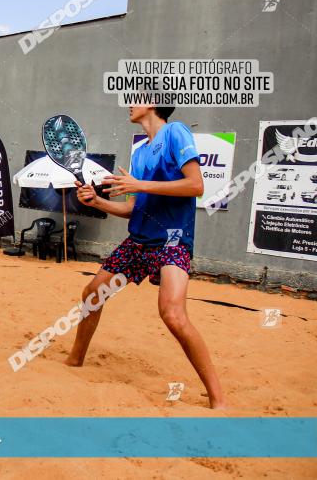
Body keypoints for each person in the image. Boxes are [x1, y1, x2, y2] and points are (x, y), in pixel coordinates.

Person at [67, 105, 226, 409]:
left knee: (173, 315)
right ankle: (75, 359)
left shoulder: (175, 132)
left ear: (152, 103)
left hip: (172, 240)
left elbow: (196, 185)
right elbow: (131, 208)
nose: (129, 103)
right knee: (92, 294)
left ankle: (218, 398)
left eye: (136, 96)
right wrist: (97, 201)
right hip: (139, 240)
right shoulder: (140, 152)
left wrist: (140, 185)